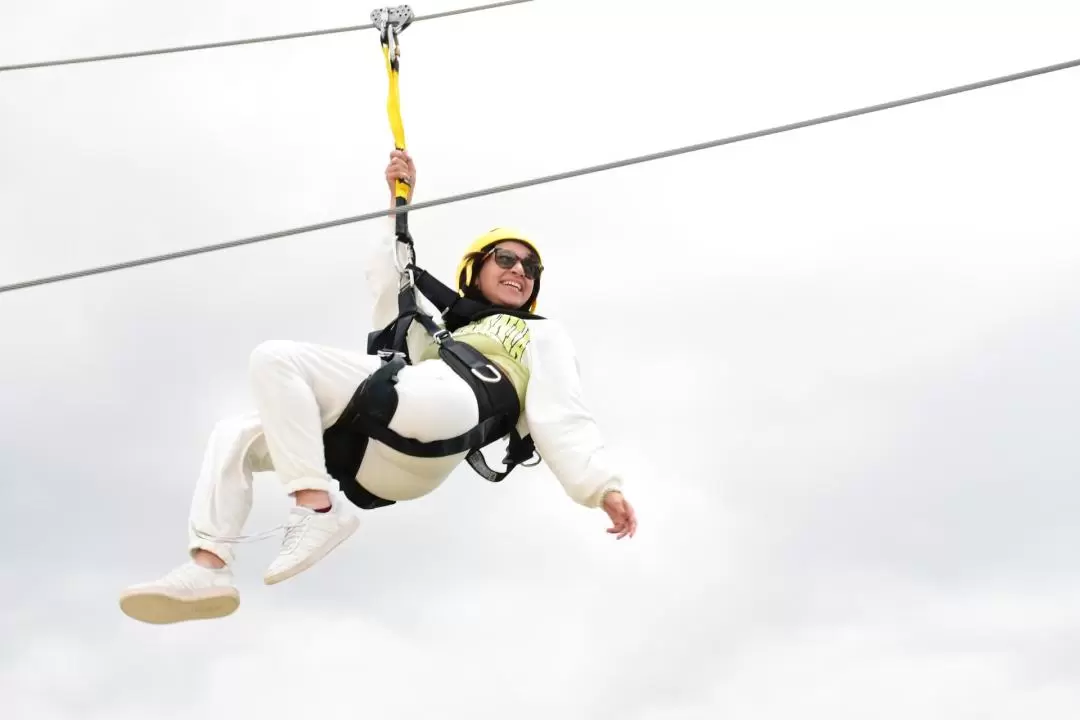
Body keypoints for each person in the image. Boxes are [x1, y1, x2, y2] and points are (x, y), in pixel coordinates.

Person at [118, 150, 638, 625]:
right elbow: (389, 276)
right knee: (233, 435)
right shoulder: (436, 333)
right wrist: (397, 200)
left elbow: (562, 413)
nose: (520, 271)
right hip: (390, 445)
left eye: (530, 268)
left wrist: (600, 487)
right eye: (506, 259)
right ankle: (209, 565)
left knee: (276, 359)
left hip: (444, 414)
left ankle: (317, 509)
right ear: (475, 271)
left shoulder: (537, 331)